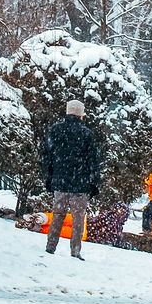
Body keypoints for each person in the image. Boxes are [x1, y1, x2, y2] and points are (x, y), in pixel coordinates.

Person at [42, 100, 102, 260]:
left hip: (60, 181)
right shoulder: (86, 134)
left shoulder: (56, 131)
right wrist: (94, 182)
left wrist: (49, 178)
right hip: (80, 184)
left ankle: (50, 246)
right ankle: (75, 251)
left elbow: (47, 157)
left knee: (58, 214)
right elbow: (93, 161)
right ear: (81, 114)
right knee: (78, 218)